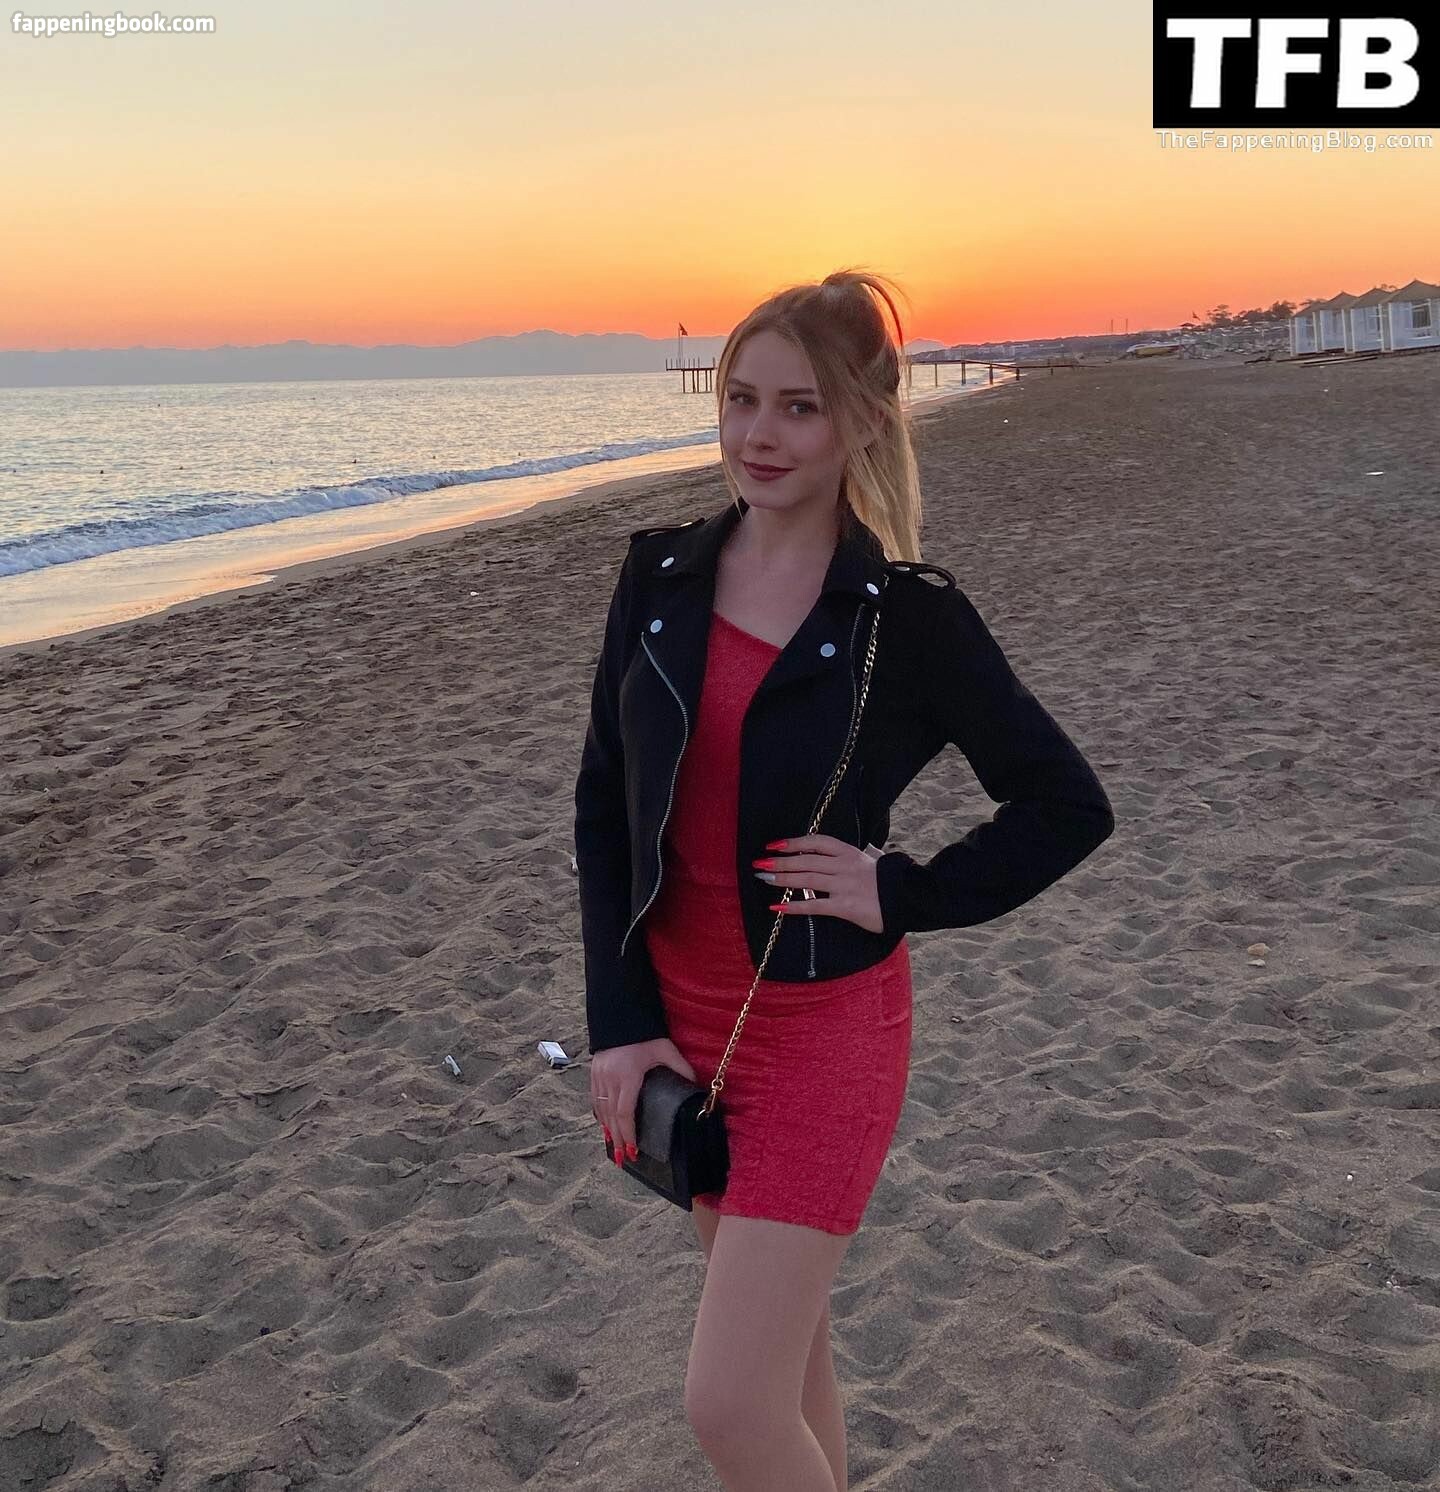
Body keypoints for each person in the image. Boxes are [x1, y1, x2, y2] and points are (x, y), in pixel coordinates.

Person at [574, 269, 1114, 1490]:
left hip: (821, 1032)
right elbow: (605, 806)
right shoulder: (657, 582)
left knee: (729, 1403)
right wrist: (620, 1022)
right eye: (741, 400)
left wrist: (899, 888)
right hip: (684, 1025)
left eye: (800, 407)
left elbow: (1066, 803)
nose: (759, 435)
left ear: (863, 420)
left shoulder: (907, 619)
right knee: (788, 1370)